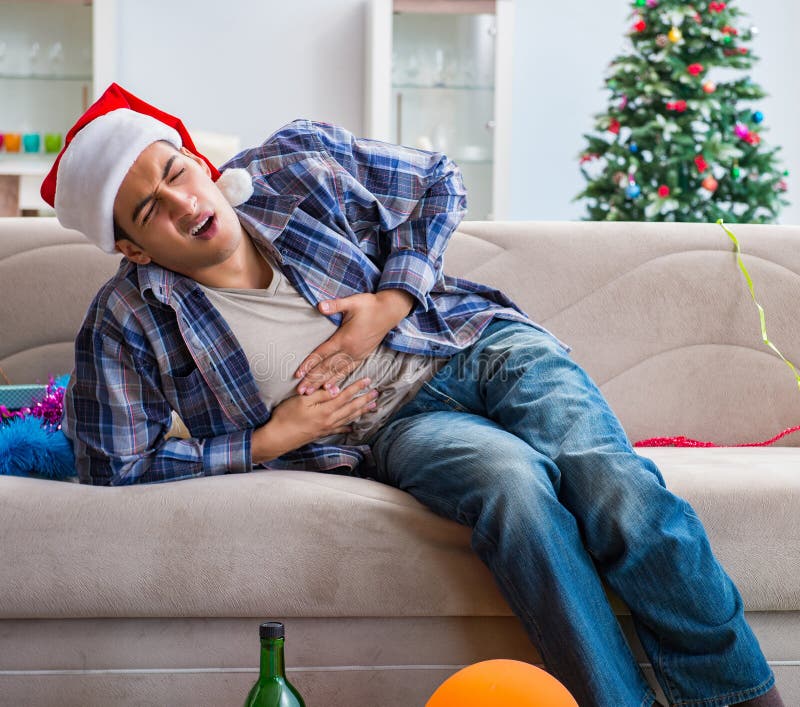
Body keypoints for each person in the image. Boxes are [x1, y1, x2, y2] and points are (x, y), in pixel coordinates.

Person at [43, 83, 783, 707]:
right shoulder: (127, 318)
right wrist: (269, 440)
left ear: (198, 159)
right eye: (148, 211)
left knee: (609, 479)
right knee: (513, 489)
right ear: (132, 247)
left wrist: (392, 299)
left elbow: (438, 180)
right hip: (393, 427)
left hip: (475, 344)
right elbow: (112, 465)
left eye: (176, 171)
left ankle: (738, 697)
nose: (181, 202)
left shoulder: (294, 163)